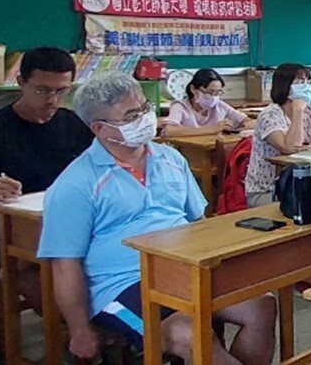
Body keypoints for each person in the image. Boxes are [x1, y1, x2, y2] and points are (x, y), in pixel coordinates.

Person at [40, 73, 276, 363]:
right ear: (101, 128)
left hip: (182, 267)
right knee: (189, 334)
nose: (144, 118)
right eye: (131, 115)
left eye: (143, 108)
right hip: (121, 284)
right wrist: (79, 329)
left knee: (262, 306)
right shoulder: (75, 183)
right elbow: (65, 264)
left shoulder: (171, 159)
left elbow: (200, 222)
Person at [0, 47, 95, 313]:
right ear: (21, 83)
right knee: (21, 271)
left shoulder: (71, 123)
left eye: (62, 91)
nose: (52, 99)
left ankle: (108, 324)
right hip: (6, 231)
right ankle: (76, 333)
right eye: (42, 90)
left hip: (67, 221)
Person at [245, 63, 311, 207]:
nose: (305, 85)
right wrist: (298, 111)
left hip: (303, 184)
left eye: (307, 81)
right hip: (269, 190)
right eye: (299, 82)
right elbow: (290, 148)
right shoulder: (270, 115)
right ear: (285, 85)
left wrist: (309, 147)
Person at [161, 68, 254, 137]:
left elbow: (246, 120)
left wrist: (246, 125)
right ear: (193, 89)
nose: (214, 97)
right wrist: (212, 129)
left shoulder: (219, 106)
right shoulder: (180, 106)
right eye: (210, 92)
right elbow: (170, 130)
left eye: (218, 92)